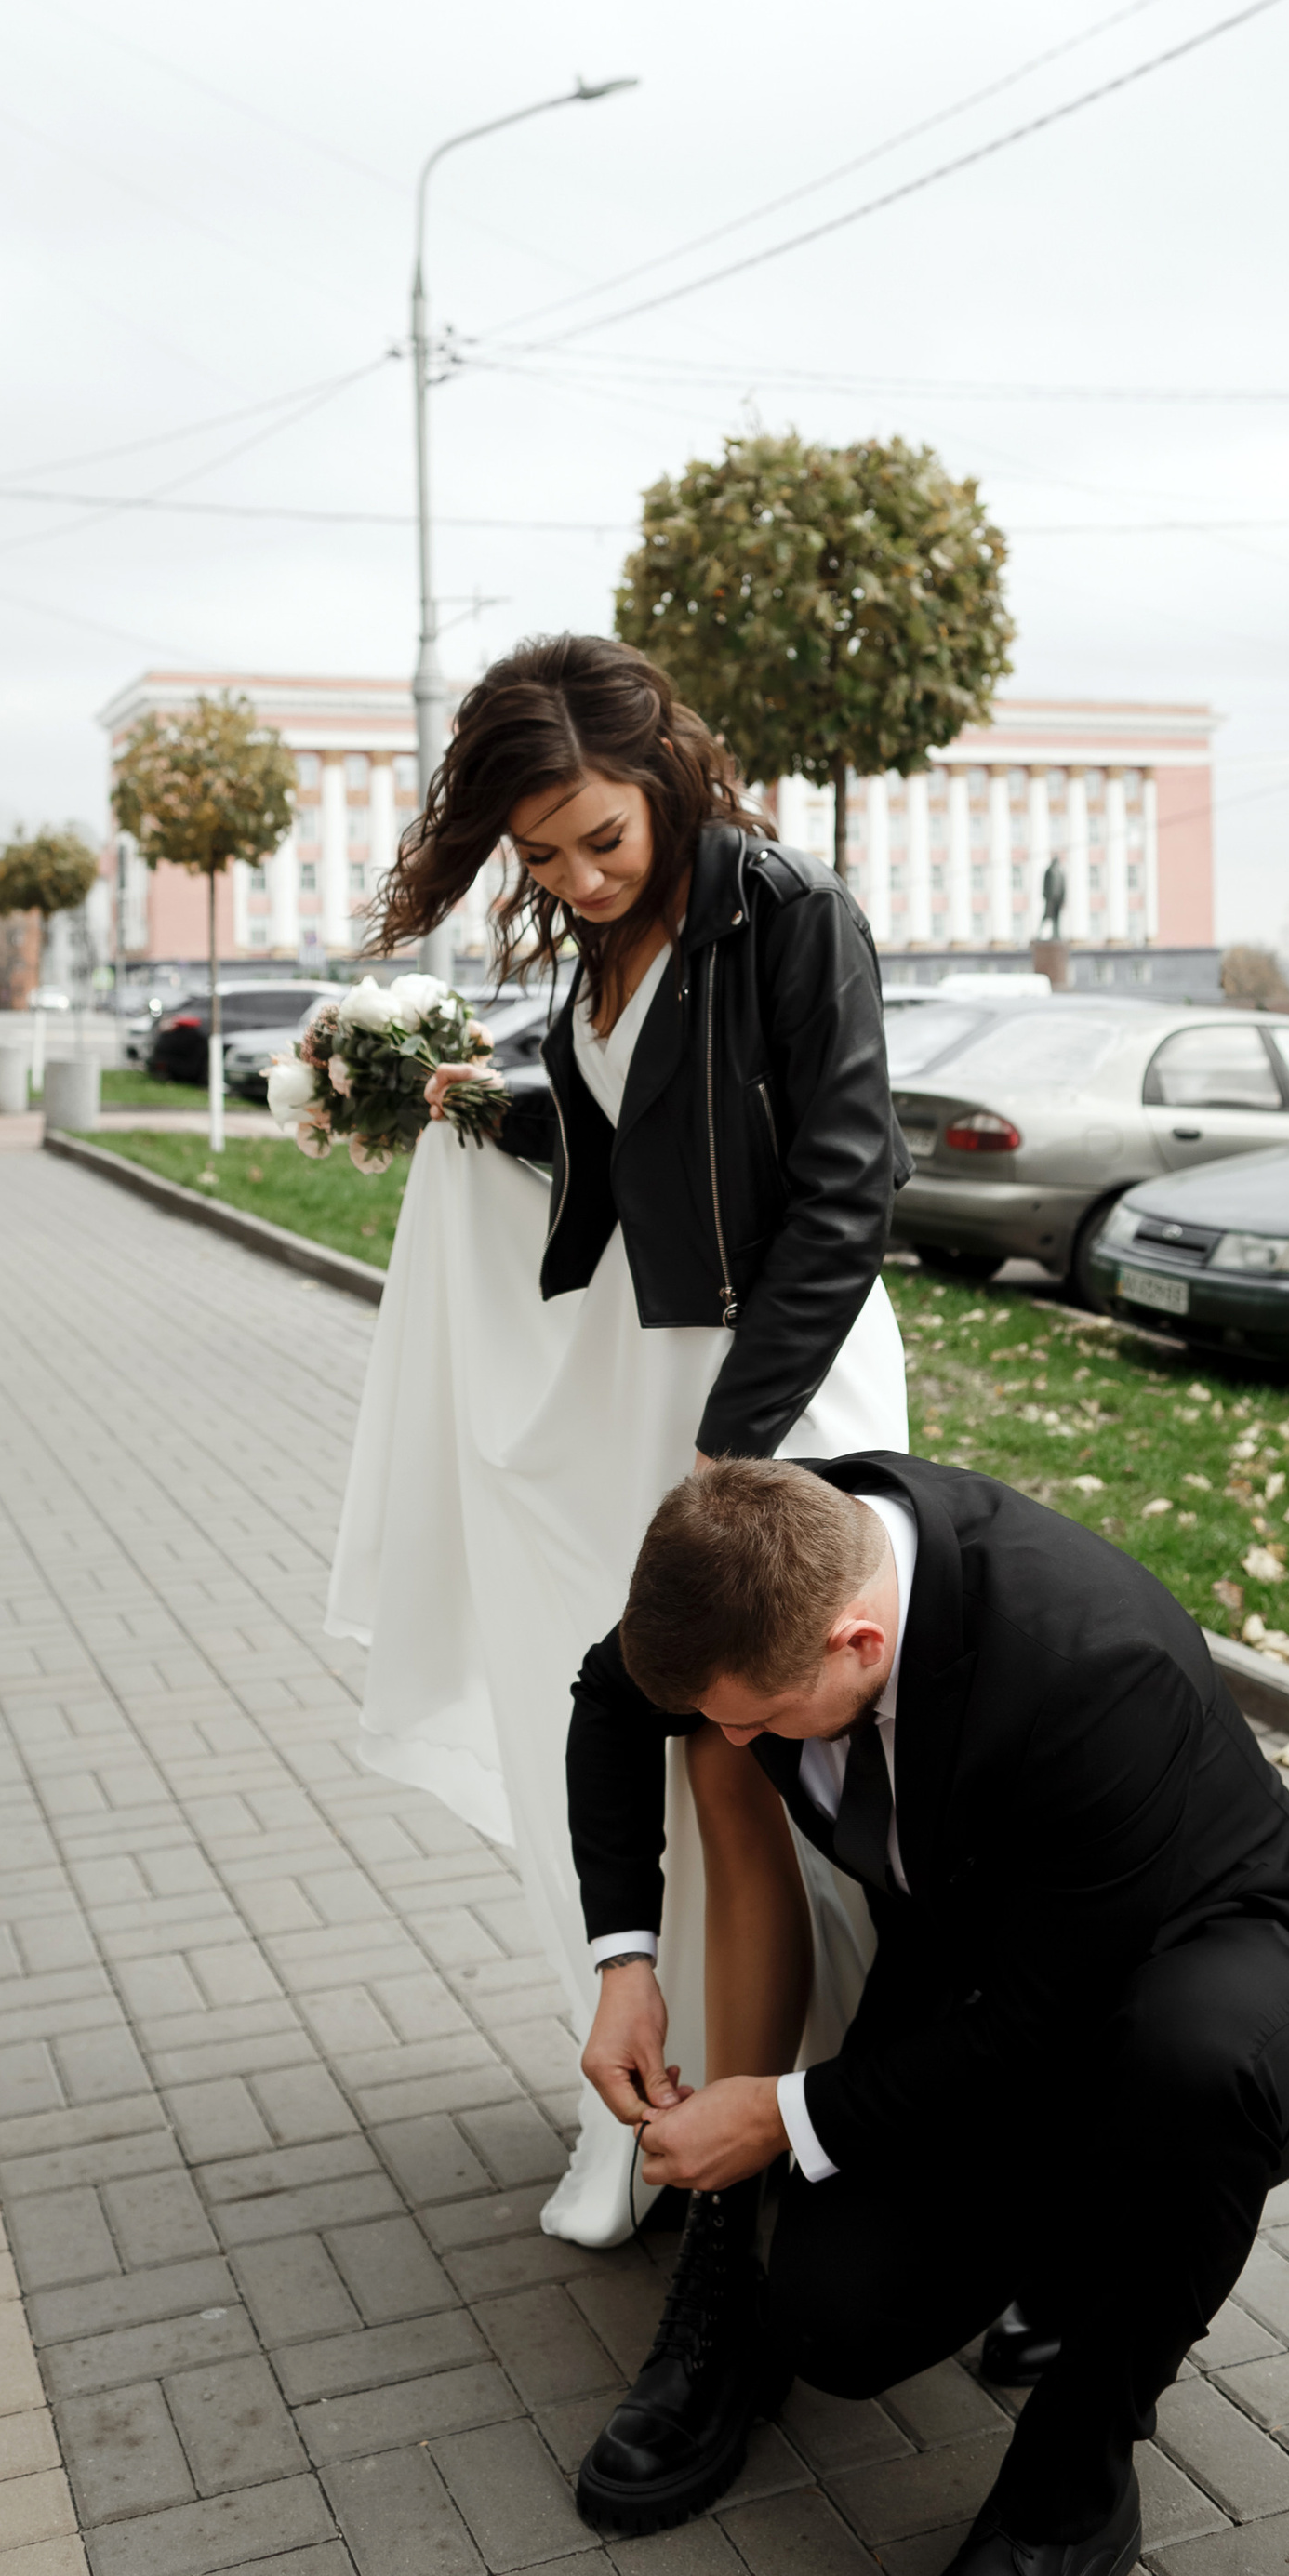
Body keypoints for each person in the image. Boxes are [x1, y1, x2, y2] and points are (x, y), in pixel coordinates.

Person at [563, 1452, 1289, 2576]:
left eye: (757, 1719)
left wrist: (781, 2115)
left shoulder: (1086, 1661)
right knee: (837, 2325)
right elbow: (616, 1696)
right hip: (1014, 1982)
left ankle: (1070, 2503)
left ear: (859, 1642)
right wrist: (624, 1966)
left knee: (1186, 2076)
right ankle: (1075, 2255)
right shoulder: (764, 1565)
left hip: (1234, 1959)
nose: (732, 1746)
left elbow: (1043, 2021)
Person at [325, 632, 910, 2263]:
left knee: (773, 1748)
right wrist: (492, 1112)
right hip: (645, 1383)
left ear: (666, 781)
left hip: (782, 1392)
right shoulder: (606, 956)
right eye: (539, 856)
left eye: (602, 838)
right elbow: (628, 1149)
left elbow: (848, 1190)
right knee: (665, 1735)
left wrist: (737, 1454)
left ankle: (809, 2113)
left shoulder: (794, 917)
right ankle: (646, 2104)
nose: (577, 878)